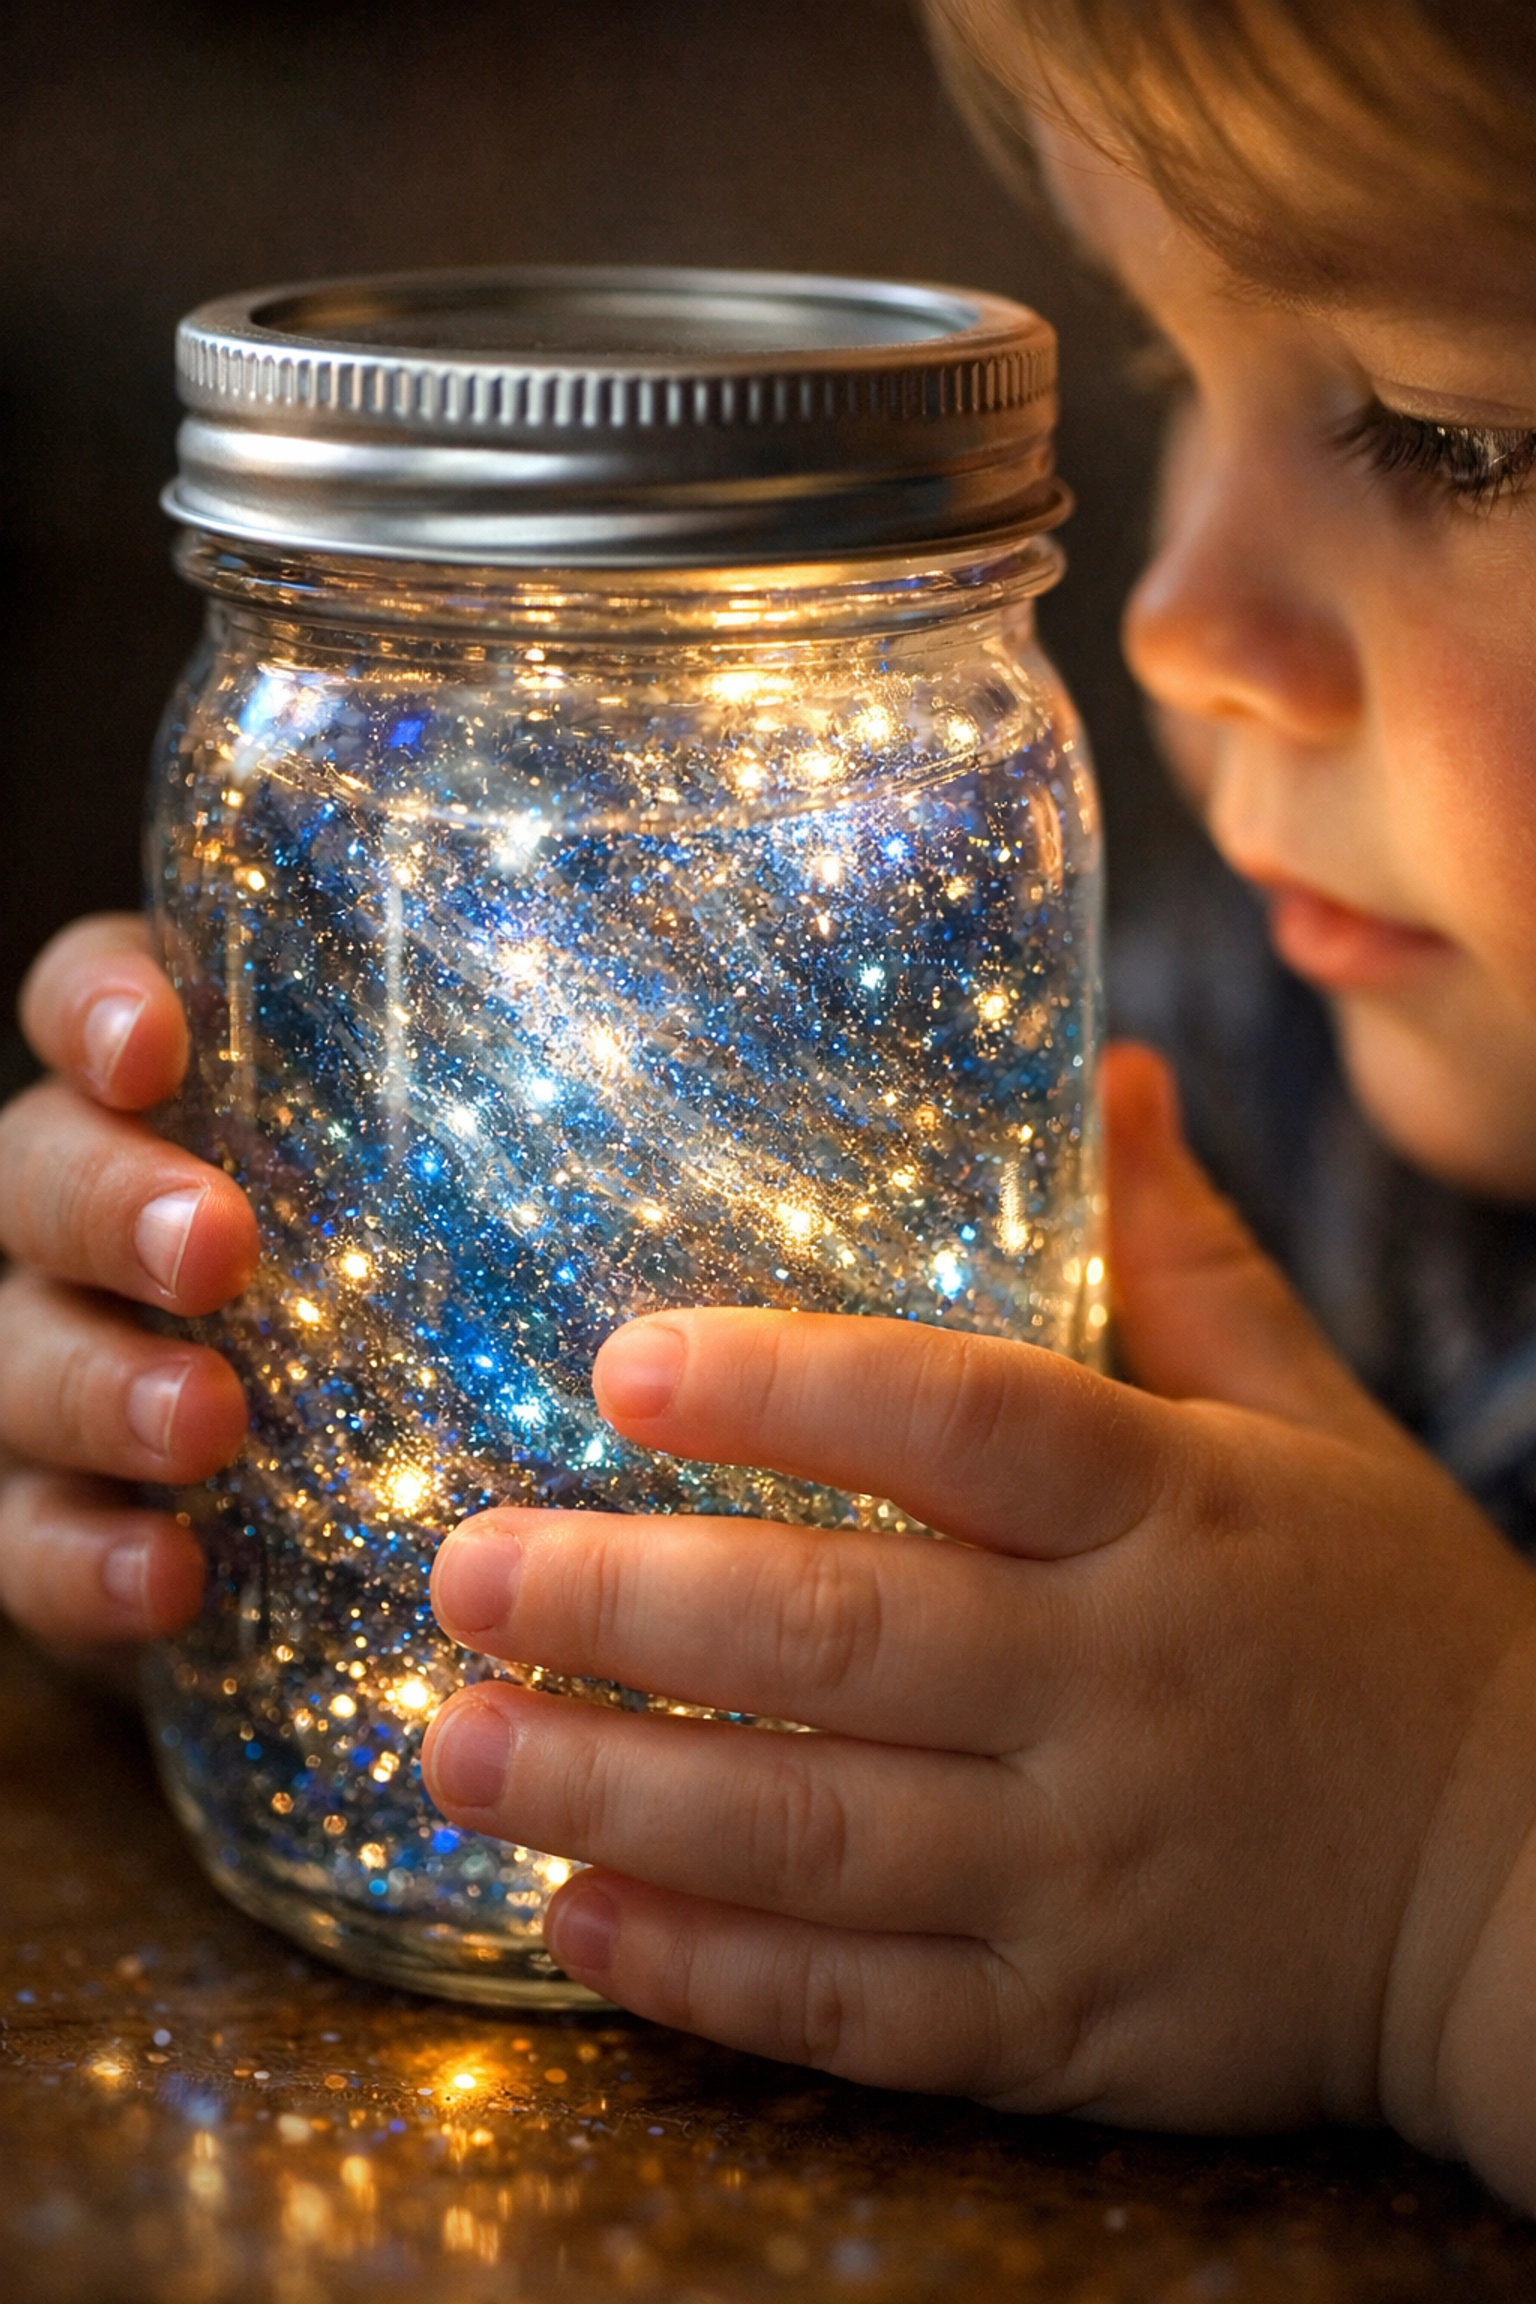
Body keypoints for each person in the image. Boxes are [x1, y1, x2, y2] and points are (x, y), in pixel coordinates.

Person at [5, 0, 1536, 2207]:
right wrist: (212, 1484)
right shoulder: (1253, 1081)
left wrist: (1461, 1875)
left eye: (1454, 436)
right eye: (1169, 372)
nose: (1181, 614)